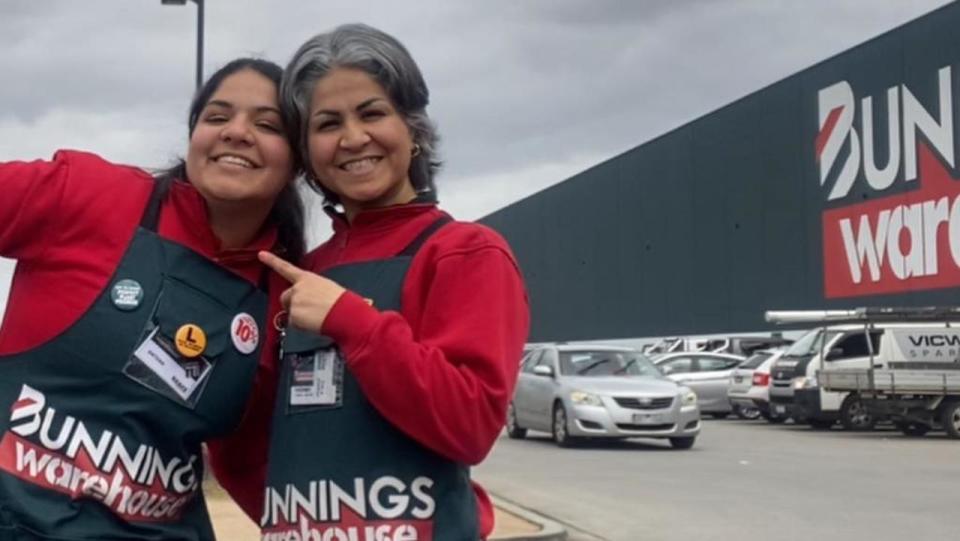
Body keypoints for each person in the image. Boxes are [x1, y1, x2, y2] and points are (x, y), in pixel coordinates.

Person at [0, 57, 302, 540]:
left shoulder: (285, 301)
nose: (236, 132)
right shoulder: (87, 194)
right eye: (217, 117)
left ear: (298, 160)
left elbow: (252, 461)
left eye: (268, 125)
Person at [252, 23, 530, 541]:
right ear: (307, 151)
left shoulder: (465, 253)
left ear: (414, 128)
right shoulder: (300, 271)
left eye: (373, 113)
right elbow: (247, 437)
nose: (353, 138)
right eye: (328, 123)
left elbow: (469, 425)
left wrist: (353, 323)